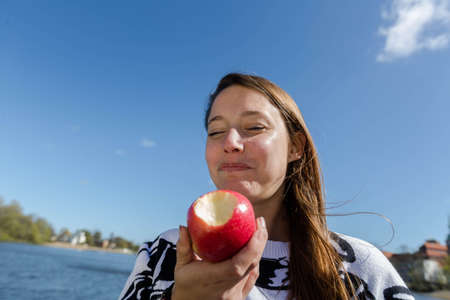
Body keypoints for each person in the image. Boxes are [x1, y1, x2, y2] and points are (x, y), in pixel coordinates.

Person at [119, 73, 413, 300]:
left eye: (254, 127)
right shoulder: (162, 254)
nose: (230, 143)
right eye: (216, 131)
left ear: (295, 147)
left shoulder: (358, 268)